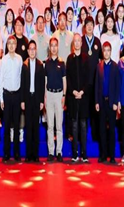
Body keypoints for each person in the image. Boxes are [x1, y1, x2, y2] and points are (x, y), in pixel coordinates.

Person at [95, 42, 119, 163]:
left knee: (112, 130)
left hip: (111, 102)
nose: (106, 52)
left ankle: (112, 156)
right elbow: (96, 85)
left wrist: (116, 102)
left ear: (111, 51)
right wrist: (96, 102)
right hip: (102, 102)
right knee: (102, 130)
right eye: (104, 50)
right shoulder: (99, 66)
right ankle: (103, 155)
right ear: (102, 52)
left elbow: (117, 85)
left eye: (108, 50)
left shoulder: (115, 66)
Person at [21, 40, 46, 163]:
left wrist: (41, 100)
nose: (32, 51)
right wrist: (22, 100)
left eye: (33, 49)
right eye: (30, 49)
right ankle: (28, 154)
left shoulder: (40, 65)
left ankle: (35, 155)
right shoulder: (24, 65)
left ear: (36, 51)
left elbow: (42, 84)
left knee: (36, 127)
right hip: (27, 99)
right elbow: (22, 84)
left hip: (36, 99)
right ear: (27, 51)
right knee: (28, 127)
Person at [0, 36, 23, 162]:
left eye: (13, 43)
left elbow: (21, 77)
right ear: (7, 45)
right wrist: (1, 99)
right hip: (7, 95)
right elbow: (1, 79)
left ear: (16, 45)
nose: (11, 45)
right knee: (7, 125)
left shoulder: (20, 59)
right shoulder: (4, 60)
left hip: (17, 95)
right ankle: (6, 153)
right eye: (9, 43)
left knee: (17, 125)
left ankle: (17, 153)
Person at [66, 34, 89, 162]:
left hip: (84, 97)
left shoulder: (86, 58)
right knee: (74, 125)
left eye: (79, 41)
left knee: (83, 125)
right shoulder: (70, 59)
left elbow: (88, 79)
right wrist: (73, 91)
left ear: (81, 43)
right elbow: (68, 78)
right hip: (73, 97)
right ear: (73, 44)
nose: (77, 43)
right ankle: (75, 154)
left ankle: (84, 154)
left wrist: (82, 91)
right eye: (75, 41)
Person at [45, 37, 67, 162]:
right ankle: (50, 152)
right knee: (50, 126)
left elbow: (64, 81)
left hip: (59, 95)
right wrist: (45, 96)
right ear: (49, 47)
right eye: (52, 45)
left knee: (59, 126)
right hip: (49, 94)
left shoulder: (62, 63)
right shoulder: (46, 63)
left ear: (58, 47)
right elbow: (45, 81)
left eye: (55, 45)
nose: (53, 48)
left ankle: (59, 151)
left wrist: (64, 95)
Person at [82, 17, 103, 143]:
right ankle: (83, 136)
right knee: (84, 110)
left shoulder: (97, 42)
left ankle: (95, 136)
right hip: (84, 82)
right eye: (87, 25)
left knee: (96, 110)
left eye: (91, 24)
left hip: (96, 81)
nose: (89, 27)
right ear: (84, 27)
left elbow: (101, 60)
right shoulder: (81, 41)